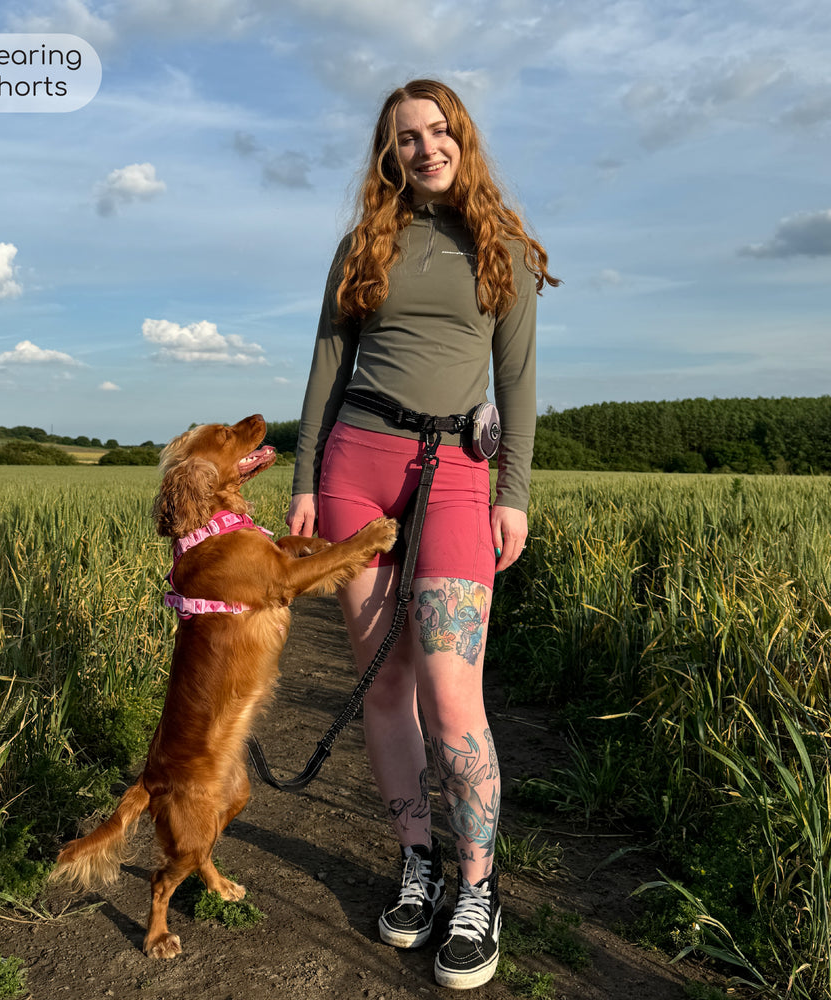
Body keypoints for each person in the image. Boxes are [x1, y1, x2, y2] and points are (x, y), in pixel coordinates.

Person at [287, 78, 557, 990]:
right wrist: (303, 486)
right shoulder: (364, 242)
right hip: (356, 469)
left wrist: (512, 494)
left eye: (440, 131)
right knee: (385, 679)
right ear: (388, 155)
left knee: (451, 692)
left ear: (462, 139)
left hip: (456, 480)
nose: (426, 147)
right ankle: (418, 863)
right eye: (407, 137)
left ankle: (478, 886)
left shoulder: (503, 247)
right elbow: (326, 367)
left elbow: (517, 385)